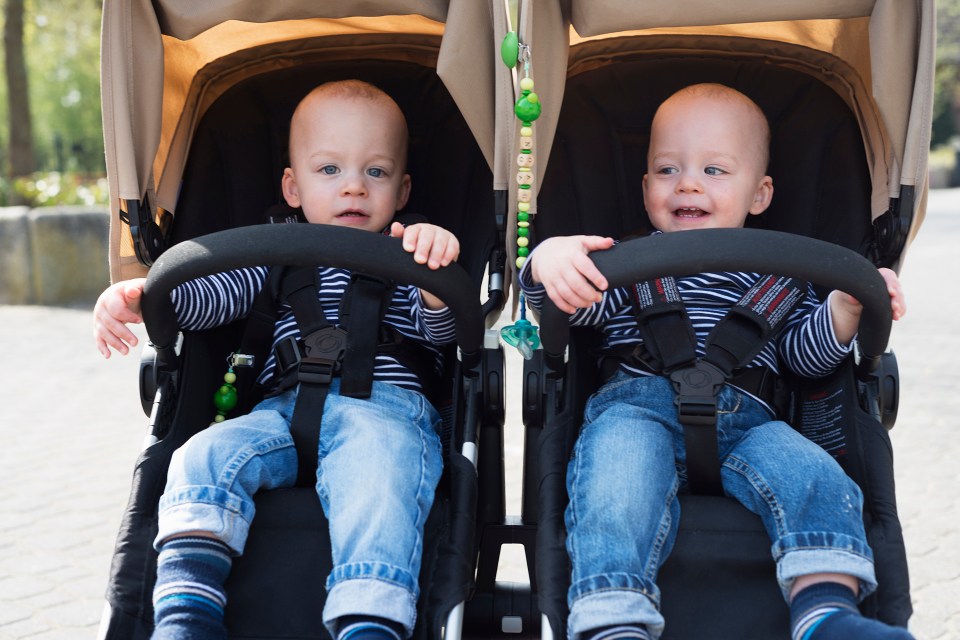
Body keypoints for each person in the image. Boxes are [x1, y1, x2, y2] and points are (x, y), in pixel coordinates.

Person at [519, 83, 912, 640]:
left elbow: (804, 358)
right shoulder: (621, 263)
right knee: (612, 483)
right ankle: (612, 617)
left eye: (715, 170)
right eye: (667, 169)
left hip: (752, 418)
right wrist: (549, 262)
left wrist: (846, 308)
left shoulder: (782, 274)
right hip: (637, 410)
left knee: (818, 477)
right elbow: (569, 312)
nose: (688, 183)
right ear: (645, 185)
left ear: (760, 193)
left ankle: (826, 612)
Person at [94, 80, 460, 640]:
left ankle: (369, 621)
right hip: (279, 412)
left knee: (380, 477)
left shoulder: (406, 254)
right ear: (293, 186)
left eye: (376, 173)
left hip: (385, 411)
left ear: (403, 189)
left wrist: (436, 277)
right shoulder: (270, 257)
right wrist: (145, 296)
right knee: (200, 456)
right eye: (329, 170)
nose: (354, 188)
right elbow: (203, 301)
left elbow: (441, 333)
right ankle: (185, 618)